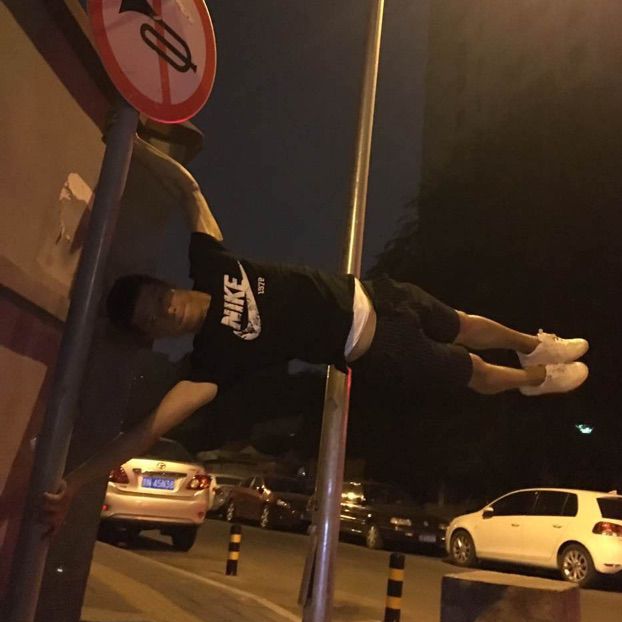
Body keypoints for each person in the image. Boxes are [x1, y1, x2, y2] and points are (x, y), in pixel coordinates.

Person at [40, 136, 589, 535]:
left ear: (166, 286)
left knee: (464, 322)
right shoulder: (212, 362)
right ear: (155, 337)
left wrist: (132, 144)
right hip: (375, 346)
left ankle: (535, 345)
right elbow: (145, 431)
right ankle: (538, 379)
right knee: (472, 370)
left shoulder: (210, 263)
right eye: (154, 323)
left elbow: (188, 189)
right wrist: (77, 482)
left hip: (378, 293)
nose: (167, 314)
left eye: (159, 301)